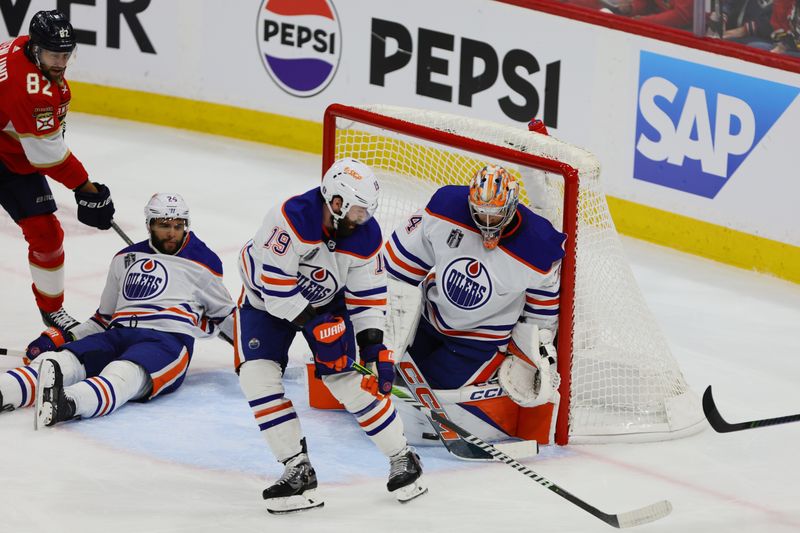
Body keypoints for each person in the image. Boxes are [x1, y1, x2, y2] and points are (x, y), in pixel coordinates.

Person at [234, 157, 425, 514]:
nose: (363, 219)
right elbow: (275, 289)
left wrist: (372, 347)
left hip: (326, 302)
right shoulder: (289, 219)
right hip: (263, 303)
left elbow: (367, 296)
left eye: (367, 211)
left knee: (350, 379)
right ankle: (296, 467)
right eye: (356, 210)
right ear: (334, 202)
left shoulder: (365, 235)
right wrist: (314, 326)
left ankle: (403, 458)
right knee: (256, 376)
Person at [0, 193, 234, 429]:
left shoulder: (203, 262)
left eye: (178, 225)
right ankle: (4, 391)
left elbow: (226, 315)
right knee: (57, 361)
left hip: (167, 341)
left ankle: (69, 403)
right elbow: (103, 319)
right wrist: (62, 338)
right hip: (117, 334)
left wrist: (261, 348)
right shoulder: (124, 259)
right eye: (164, 226)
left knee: (122, 373)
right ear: (149, 225)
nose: (173, 232)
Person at [382, 165, 565, 444]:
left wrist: (533, 350)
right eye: (481, 212)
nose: (488, 221)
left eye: (496, 213)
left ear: (513, 204)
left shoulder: (538, 248)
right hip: (430, 318)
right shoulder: (444, 209)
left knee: (436, 387)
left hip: (478, 341)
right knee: (389, 372)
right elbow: (398, 267)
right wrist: (378, 317)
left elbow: (542, 312)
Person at [0, 10, 115, 333]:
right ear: (36, 49)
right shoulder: (31, 90)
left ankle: (52, 311)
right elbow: (47, 156)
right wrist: (87, 189)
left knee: (47, 237)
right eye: (54, 54)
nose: (61, 62)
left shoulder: (23, 47)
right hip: (13, 153)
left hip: (10, 154)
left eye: (66, 54)